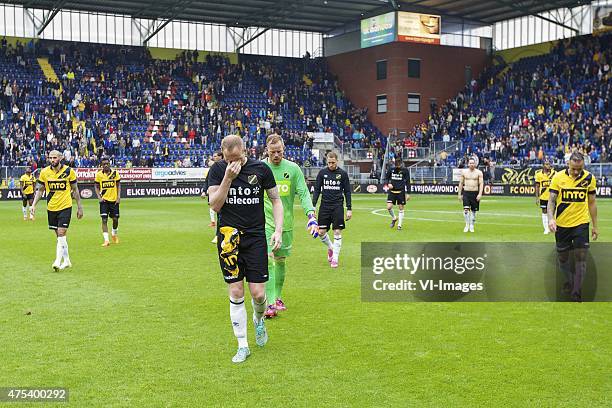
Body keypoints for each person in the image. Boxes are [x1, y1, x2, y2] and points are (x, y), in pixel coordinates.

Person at [207, 135, 283, 363]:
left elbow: (276, 200)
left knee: (259, 294)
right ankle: (242, 345)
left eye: (237, 158)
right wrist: (228, 179)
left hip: (256, 237)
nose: (233, 163)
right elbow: (215, 205)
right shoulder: (218, 170)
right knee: (236, 291)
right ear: (222, 154)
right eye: (229, 159)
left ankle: (258, 320)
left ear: (245, 151)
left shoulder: (261, 169)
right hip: (229, 237)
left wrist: (278, 230)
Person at [262, 134, 318, 318]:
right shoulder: (262, 168)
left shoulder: (293, 169)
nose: (276, 155)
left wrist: (311, 215)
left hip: (286, 224)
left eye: (279, 151)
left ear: (283, 150)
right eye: (272, 152)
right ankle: (269, 303)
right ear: (267, 151)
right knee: (268, 258)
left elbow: (303, 193)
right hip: (265, 223)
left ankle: (277, 297)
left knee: (280, 260)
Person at [548, 151, 598, 302]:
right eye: (573, 168)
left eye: (579, 169)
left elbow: (592, 203)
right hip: (562, 225)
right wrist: (551, 219)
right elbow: (551, 201)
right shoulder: (558, 177)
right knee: (563, 258)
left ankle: (576, 291)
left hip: (581, 223)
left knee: (581, 256)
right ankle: (570, 281)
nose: (576, 172)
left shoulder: (589, 178)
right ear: (568, 164)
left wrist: (595, 226)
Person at [31, 150, 84, 271]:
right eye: (50, 158)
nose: (52, 160)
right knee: (60, 237)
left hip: (65, 206)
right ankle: (67, 260)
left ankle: (57, 261)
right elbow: (40, 190)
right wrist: (34, 205)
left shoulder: (69, 171)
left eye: (55, 158)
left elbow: (75, 190)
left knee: (61, 233)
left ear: (60, 158)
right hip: (51, 207)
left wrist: (80, 207)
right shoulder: (44, 172)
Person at [313, 151, 352, 268]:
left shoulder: (343, 174)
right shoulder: (322, 173)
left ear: (337, 161)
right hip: (324, 206)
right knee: (321, 232)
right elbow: (317, 190)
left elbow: (347, 192)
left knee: (337, 231)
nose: (331, 165)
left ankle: (335, 258)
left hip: (337, 206)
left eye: (333, 162)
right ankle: (331, 247)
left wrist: (349, 208)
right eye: (329, 162)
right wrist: (313, 206)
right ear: (327, 161)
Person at [94, 157, 121, 247]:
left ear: (110, 164)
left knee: (115, 219)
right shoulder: (99, 175)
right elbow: (96, 186)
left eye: (107, 163)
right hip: (104, 201)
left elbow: (118, 185)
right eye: (104, 164)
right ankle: (106, 240)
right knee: (104, 220)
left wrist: (118, 197)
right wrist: (99, 197)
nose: (105, 165)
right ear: (101, 165)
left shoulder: (115, 173)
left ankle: (114, 233)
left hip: (114, 200)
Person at [201, 150, 223, 244]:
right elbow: (207, 180)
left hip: (224, 195)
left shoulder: (225, 167)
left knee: (222, 217)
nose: (213, 157)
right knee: (219, 216)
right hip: (215, 195)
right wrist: (204, 191)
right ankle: (218, 236)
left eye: (215, 156)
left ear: (221, 156)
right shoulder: (213, 168)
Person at [457, 157, 483, 233]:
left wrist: (480, 194)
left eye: (473, 163)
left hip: (475, 193)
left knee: (474, 211)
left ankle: (472, 225)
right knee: (466, 210)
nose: (471, 164)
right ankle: (467, 225)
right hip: (466, 193)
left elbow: (481, 184)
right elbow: (461, 183)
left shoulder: (479, 172)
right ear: (468, 164)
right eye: (470, 163)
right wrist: (459, 194)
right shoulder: (464, 172)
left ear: (475, 164)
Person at [385, 157, 411, 230]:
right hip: (392, 191)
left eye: (399, 165)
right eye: (396, 165)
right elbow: (386, 178)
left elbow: (408, 182)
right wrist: (388, 184)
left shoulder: (405, 170)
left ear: (401, 164)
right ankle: (394, 218)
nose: (398, 166)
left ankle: (399, 225)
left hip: (401, 192)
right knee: (389, 207)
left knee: (401, 208)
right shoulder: (391, 169)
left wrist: (408, 193)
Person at [534, 160, 556, 234]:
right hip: (543, 197)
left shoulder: (554, 173)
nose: (548, 165)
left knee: (552, 212)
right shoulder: (539, 175)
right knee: (544, 212)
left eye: (549, 164)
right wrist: (537, 197)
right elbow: (537, 186)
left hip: (552, 197)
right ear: (543, 165)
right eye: (546, 164)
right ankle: (546, 228)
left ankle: (552, 227)